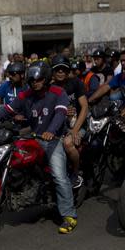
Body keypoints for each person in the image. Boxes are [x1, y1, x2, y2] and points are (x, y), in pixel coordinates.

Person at [0, 61, 78, 234]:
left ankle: (69, 215)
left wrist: (51, 131)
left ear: (45, 79)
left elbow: (60, 113)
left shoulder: (58, 92)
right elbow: (7, 110)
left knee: (59, 177)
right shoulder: (25, 95)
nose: (35, 83)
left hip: (54, 139)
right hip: (33, 136)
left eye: (38, 80)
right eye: (31, 80)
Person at [51, 55, 89, 188]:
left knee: (68, 143)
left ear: (68, 71)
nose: (60, 72)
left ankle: (76, 172)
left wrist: (74, 131)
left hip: (77, 125)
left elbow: (84, 107)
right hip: (59, 127)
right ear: (53, 72)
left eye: (63, 69)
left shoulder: (76, 83)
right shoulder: (50, 88)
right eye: (57, 69)